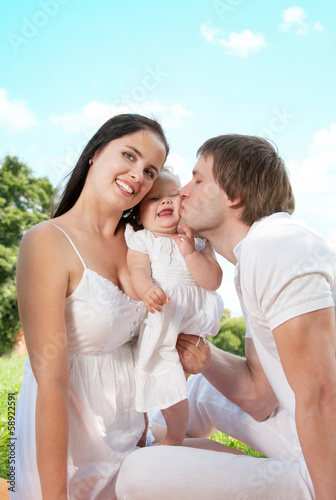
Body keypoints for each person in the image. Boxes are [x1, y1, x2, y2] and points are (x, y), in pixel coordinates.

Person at [115, 134, 336, 500]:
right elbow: (261, 398)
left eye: (198, 180)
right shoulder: (254, 256)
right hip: (299, 430)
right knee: (201, 388)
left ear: (234, 196)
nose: (182, 192)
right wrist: (202, 353)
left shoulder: (277, 247)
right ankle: (162, 438)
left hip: (325, 462)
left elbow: (324, 396)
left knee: (135, 474)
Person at [12, 113, 169, 500]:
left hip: (132, 433)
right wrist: (55, 495)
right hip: (70, 447)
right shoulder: (46, 242)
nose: (138, 175)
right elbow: (51, 379)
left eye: (151, 170)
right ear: (96, 153)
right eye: (129, 156)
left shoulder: (141, 243)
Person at [125, 168, 223, 446]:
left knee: (175, 379)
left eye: (173, 196)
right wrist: (146, 289)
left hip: (190, 319)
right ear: (138, 213)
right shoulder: (143, 239)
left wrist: (190, 251)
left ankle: (174, 437)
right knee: (152, 376)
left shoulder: (199, 240)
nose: (166, 202)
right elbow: (137, 270)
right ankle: (144, 430)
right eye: (154, 198)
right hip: (162, 316)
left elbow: (213, 280)